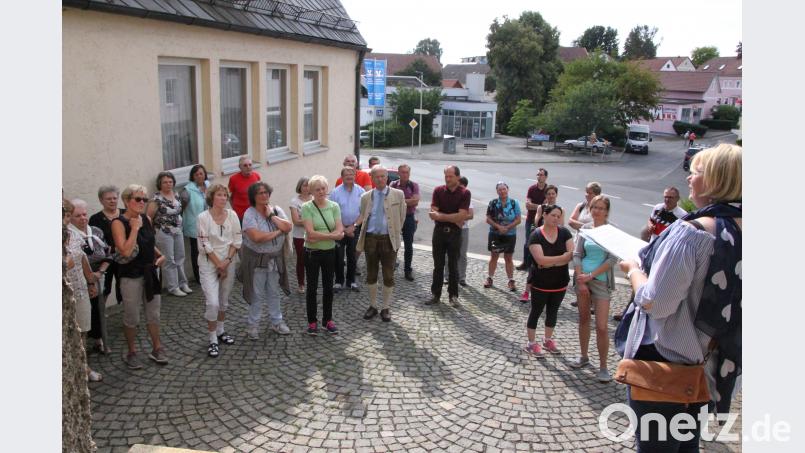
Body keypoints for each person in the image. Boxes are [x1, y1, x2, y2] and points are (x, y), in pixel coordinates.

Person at [618, 144, 742, 451]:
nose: (689, 177)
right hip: (712, 367)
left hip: (668, 367)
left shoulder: (692, 233)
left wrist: (633, 269)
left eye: (696, 171)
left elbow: (656, 303)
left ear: (717, 179)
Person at [111, 184, 168, 369]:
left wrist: (160, 255)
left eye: (144, 199)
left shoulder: (146, 219)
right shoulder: (118, 223)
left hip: (149, 271)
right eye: (138, 199)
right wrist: (134, 228)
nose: (142, 202)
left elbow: (148, 243)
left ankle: (157, 347)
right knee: (132, 316)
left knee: (154, 313)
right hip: (130, 275)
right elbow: (126, 251)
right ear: (127, 201)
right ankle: (131, 351)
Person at [569, 195, 619, 382]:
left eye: (601, 208)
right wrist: (581, 279)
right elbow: (577, 254)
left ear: (606, 211)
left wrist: (591, 275)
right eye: (594, 207)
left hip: (600, 281)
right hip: (582, 279)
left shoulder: (611, 230)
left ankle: (604, 366)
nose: (597, 210)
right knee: (583, 319)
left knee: (602, 326)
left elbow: (612, 259)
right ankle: (583, 356)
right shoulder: (585, 229)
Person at [241, 182, 292, 340]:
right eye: (260, 193)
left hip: (275, 260)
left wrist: (271, 216)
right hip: (257, 261)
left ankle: (276, 321)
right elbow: (256, 238)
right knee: (256, 293)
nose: (264, 195)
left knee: (273, 291)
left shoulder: (276, 210)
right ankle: (253, 325)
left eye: (266, 192)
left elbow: (288, 227)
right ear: (253, 197)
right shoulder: (250, 214)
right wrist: (278, 232)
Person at [356, 166, 406, 322]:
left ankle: (385, 307)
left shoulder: (398, 195)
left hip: (388, 239)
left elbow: (402, 217)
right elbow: (364, 216)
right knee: (371, 273)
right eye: (377, 177)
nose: (380, 179)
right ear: (372, 178)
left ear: (387, 177)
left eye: (383, 176)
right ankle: (372, 305)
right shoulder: (365, 197)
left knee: (388, 274)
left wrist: (394, 233)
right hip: (371, 238)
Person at [197, 184, 242, 357]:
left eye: (225, 195)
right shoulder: (203, 217)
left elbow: (237, 239)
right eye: (219, 195)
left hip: (228, 261)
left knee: (223, 300)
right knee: (212, 303)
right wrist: (219, 264)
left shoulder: (232, 215)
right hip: (209, 263)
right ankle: (212, 338)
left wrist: (227, 261)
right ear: (212, 198)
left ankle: (221, 331)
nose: (223, 198)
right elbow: (204, 243)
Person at [523, 205, 574, 358]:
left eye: (559, 216)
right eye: (553, 215)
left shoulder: (564, 232)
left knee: (553, 312)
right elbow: (540, 260)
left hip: (560, 282)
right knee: (536, 312)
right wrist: (561, 259)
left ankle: (548, 340)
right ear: (544, 215)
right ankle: (531, 343)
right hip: (540, 282)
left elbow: (570, 255)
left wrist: (549, 262)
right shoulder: (536, 235)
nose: (556, 219)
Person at [64, 199, 104, 382]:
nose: (66, 219)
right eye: (65, 215)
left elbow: (82, 260)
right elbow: (67, 263)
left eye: (66, 215)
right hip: (64, 293)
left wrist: (90, 282)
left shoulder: (73, 233)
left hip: (80, 289)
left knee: (82, 331)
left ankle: (83, 367)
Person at [302, 175, 345, 335]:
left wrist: (330, 235)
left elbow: (340, 228)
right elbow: (310, 234)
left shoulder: (334, 206)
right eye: (317, 189)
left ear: (327, 189)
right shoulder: (307, 207)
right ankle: (312, 322)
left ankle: (328, 320)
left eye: (323, 188)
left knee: (328, 287)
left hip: (329, 252)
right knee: (311, 288)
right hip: (312, 253)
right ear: (311, 191)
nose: (321, 192)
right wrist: (332, 236)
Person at [70, 199, 113, 356]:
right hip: (81, 281)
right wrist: (90, 280)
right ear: (70, 218)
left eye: (84, 214)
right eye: (77, 216)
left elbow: (108, 253)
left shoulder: (96, 231)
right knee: (82, 314)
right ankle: (80, 350)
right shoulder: (70, 236)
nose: (83, 218)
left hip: (98, 275)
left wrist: (100, 272)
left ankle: (98, 340)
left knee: (98, 310)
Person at [426, 166, 470, 307]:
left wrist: (442, 216)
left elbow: (462, 215)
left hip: (455, 234)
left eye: (450, 176)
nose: (448, 179)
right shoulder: (438, 191)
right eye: (446, 176)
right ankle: (435, 294)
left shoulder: (465, 193)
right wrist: (452, 217)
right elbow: (433, 214)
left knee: (453, 266)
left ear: (458, 177)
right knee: (438, 265)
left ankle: (453, 296)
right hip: (439, 232)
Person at [148, 171, 192, 297]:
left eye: (170, 182)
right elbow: (149, 217)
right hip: (163, 232)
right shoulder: (156, 199)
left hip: (178, 230)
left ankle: (183, 283)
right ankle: (173, 287)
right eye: (165, 182)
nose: (168, 184)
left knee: (180, 257)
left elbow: (179, 211)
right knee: (169, 260)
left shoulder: (176, 194)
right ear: (160, 184)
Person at [519, 184, 561, 303]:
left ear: (556, 195)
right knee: (534, 267)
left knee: (551, 268)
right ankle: (527, 292)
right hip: (541, 240)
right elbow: (537, 222)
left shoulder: (560, 209)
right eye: (548, 194)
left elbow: (561, 225)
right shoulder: (541, 208)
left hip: (553, 241)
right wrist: (544, 216)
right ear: (546, 196)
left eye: (553, 193)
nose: (551, 196)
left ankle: (547, 293)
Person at [329, 166, 365, 291]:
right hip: (339, 229)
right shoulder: (335, 192)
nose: (349, 176)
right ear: (342, 177)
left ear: (355, 176)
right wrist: (344, 229)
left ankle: (351, 281)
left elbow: (363, 213)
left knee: (352, 256)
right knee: (338, 256)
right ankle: (338, 281)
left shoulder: (361, 192)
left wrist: (353, 227)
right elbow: (331, 213)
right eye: (346, 174)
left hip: (355, 229)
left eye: (352, 174)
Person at [89, 185, 125, 305]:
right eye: (108, 199)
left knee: (125, 289)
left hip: (124, 258)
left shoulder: (125, 214)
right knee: (105, 289)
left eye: (114, 198)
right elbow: (95, 243)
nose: (112, 201)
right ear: (101, 200)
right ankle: (101, 317)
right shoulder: (95, 219)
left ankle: (129, 317)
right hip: (105, 260)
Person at [484, 181, 521, 291]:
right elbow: (488, 218)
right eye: (500, 189)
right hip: (495, 234)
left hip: (510, 234)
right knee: (494, 256)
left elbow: (518, 219)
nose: (502, 191)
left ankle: (511, 280)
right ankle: (490, 278)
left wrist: (507, 227)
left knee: (508, 257)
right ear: (497, 191)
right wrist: (498, 227)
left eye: (504, 189)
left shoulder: (514, 203)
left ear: (507, 189)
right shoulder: (493, 203)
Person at [389, 164, 420, 281]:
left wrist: (399, 201)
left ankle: (407, 270)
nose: (405, 174)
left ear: (409, 173)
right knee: (393, 244)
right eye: (402, 172)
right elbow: (390, 200)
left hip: (408, 217)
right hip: (395, 217)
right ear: (398, 173)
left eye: (407, 172)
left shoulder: (414, 185)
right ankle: (390, 268)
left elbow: (415, 201)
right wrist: (408, 201)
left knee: (408, 245)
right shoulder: (393, 185)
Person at [180, 164, 209, 284]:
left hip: (208, 223)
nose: (199, 176)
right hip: (194, 225)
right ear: (192, 176)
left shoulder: (208, 186)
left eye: (201, 173)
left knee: (209, 248)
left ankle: (209, 273)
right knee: (196, 252)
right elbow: (181, 208)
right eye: (196, 174)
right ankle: (198, 277)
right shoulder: (187, 190)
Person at [517, 168, 548, 271]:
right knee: (528, 241)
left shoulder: (548, 190)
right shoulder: (531, 188)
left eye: (541, 175)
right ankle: (525, 263)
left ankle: (537, 263)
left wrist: (535, 206)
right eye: (538, 174)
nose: (539, 176)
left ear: (546, 177)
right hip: (531, 220)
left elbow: (544, 207)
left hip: (543, 221)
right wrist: (539, 206)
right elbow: (528, 206)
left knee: (541, 242)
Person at [289, 177, 312, 293]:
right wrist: (310, 221)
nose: (306, 187)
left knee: (313, 260)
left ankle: (312, 282)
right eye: (304, 185)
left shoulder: (314, 199)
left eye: (308, 185)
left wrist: (305, 220)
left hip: (314, 235)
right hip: (299, 236)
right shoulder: (294, 202)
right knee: (301, 259)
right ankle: (301, 283)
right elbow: (296, 221)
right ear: (300, 187)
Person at [228, 156, 261, 221]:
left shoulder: (256, 176)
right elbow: (230, 196)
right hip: (240, 214)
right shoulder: (233, 179)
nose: (248, 167)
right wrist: (234, 209)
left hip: (254, 212)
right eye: (245, 165)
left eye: (250, 165)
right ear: (240, 167)